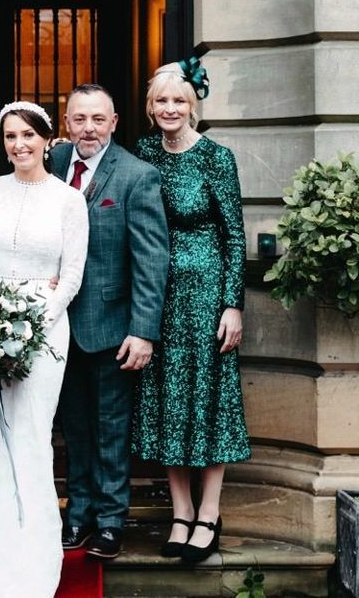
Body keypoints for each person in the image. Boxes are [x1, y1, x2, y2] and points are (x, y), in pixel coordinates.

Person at [0, 101, 88, 598]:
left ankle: (30, 557)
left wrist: (33, 321)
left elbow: (72, 274)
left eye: (29, 135)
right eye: (11, 136)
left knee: (28, 437)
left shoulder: (69, 201)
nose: (19, 144)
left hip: (45, 333)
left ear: (48, 140)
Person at [131, 60, 250, 563]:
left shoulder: (216, 158)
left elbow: (235, 236)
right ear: (150, 107)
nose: (170, 109)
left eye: (178, 101)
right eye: (161, 101)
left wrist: (233, 305)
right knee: (165, 404)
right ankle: (181, 511)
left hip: (205, 299)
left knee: (208, 403)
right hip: (156, 296)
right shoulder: (140, 155)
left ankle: (210, 513)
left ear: (193, 106)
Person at [51, 84, 170, 560]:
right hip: (58, 327)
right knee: (73, 427)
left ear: (115, 122)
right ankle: (77, 513)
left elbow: (152, 260)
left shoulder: (138, 176)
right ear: (66, 122)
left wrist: (143, 331)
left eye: (98, 119)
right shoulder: (52, 165)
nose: (88, 129)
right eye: (79, 119)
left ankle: (110, 520)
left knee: (112, 428)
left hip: (113, 327)